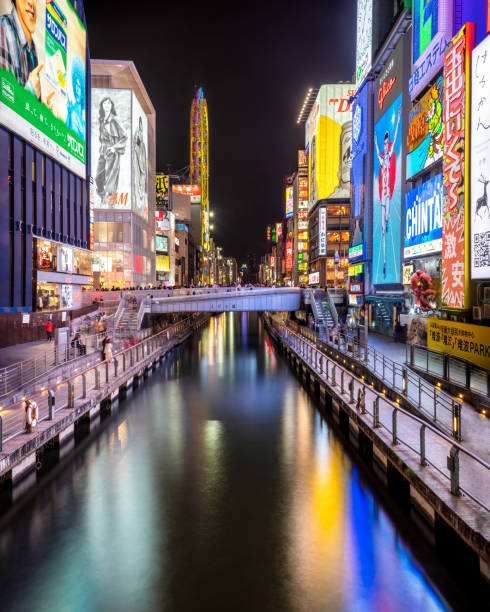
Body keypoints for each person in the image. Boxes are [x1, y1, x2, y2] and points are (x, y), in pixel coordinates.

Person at [374, 105, 401, 278]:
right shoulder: (382, 158)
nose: (385, 144)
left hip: (387, 192)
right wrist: (375, 140)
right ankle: (384, 263)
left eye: (386, 142)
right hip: (383, 196)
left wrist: (398, 120)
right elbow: (376, 149)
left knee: (386, 218)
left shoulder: (389, 156)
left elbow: (396, 136)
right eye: (384, 142)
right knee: (383, 228)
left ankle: (388, 221)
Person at [0, 0, 45, 100]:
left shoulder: (32, 47)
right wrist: (29, 92)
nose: (31, 3)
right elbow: (4, 103)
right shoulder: (4, 28)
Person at [95, 96, 128, 206]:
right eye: (105, 103)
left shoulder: (115, 120)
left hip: (112, 150)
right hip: (103, 149)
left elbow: (125, 136)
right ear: (102, 106)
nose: (107, 105)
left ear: (112, 105)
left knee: (111, 178)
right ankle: (103, 196)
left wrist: (114, 148)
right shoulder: (102, 119)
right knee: (98, 177)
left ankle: (110, 204)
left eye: (109, 103)